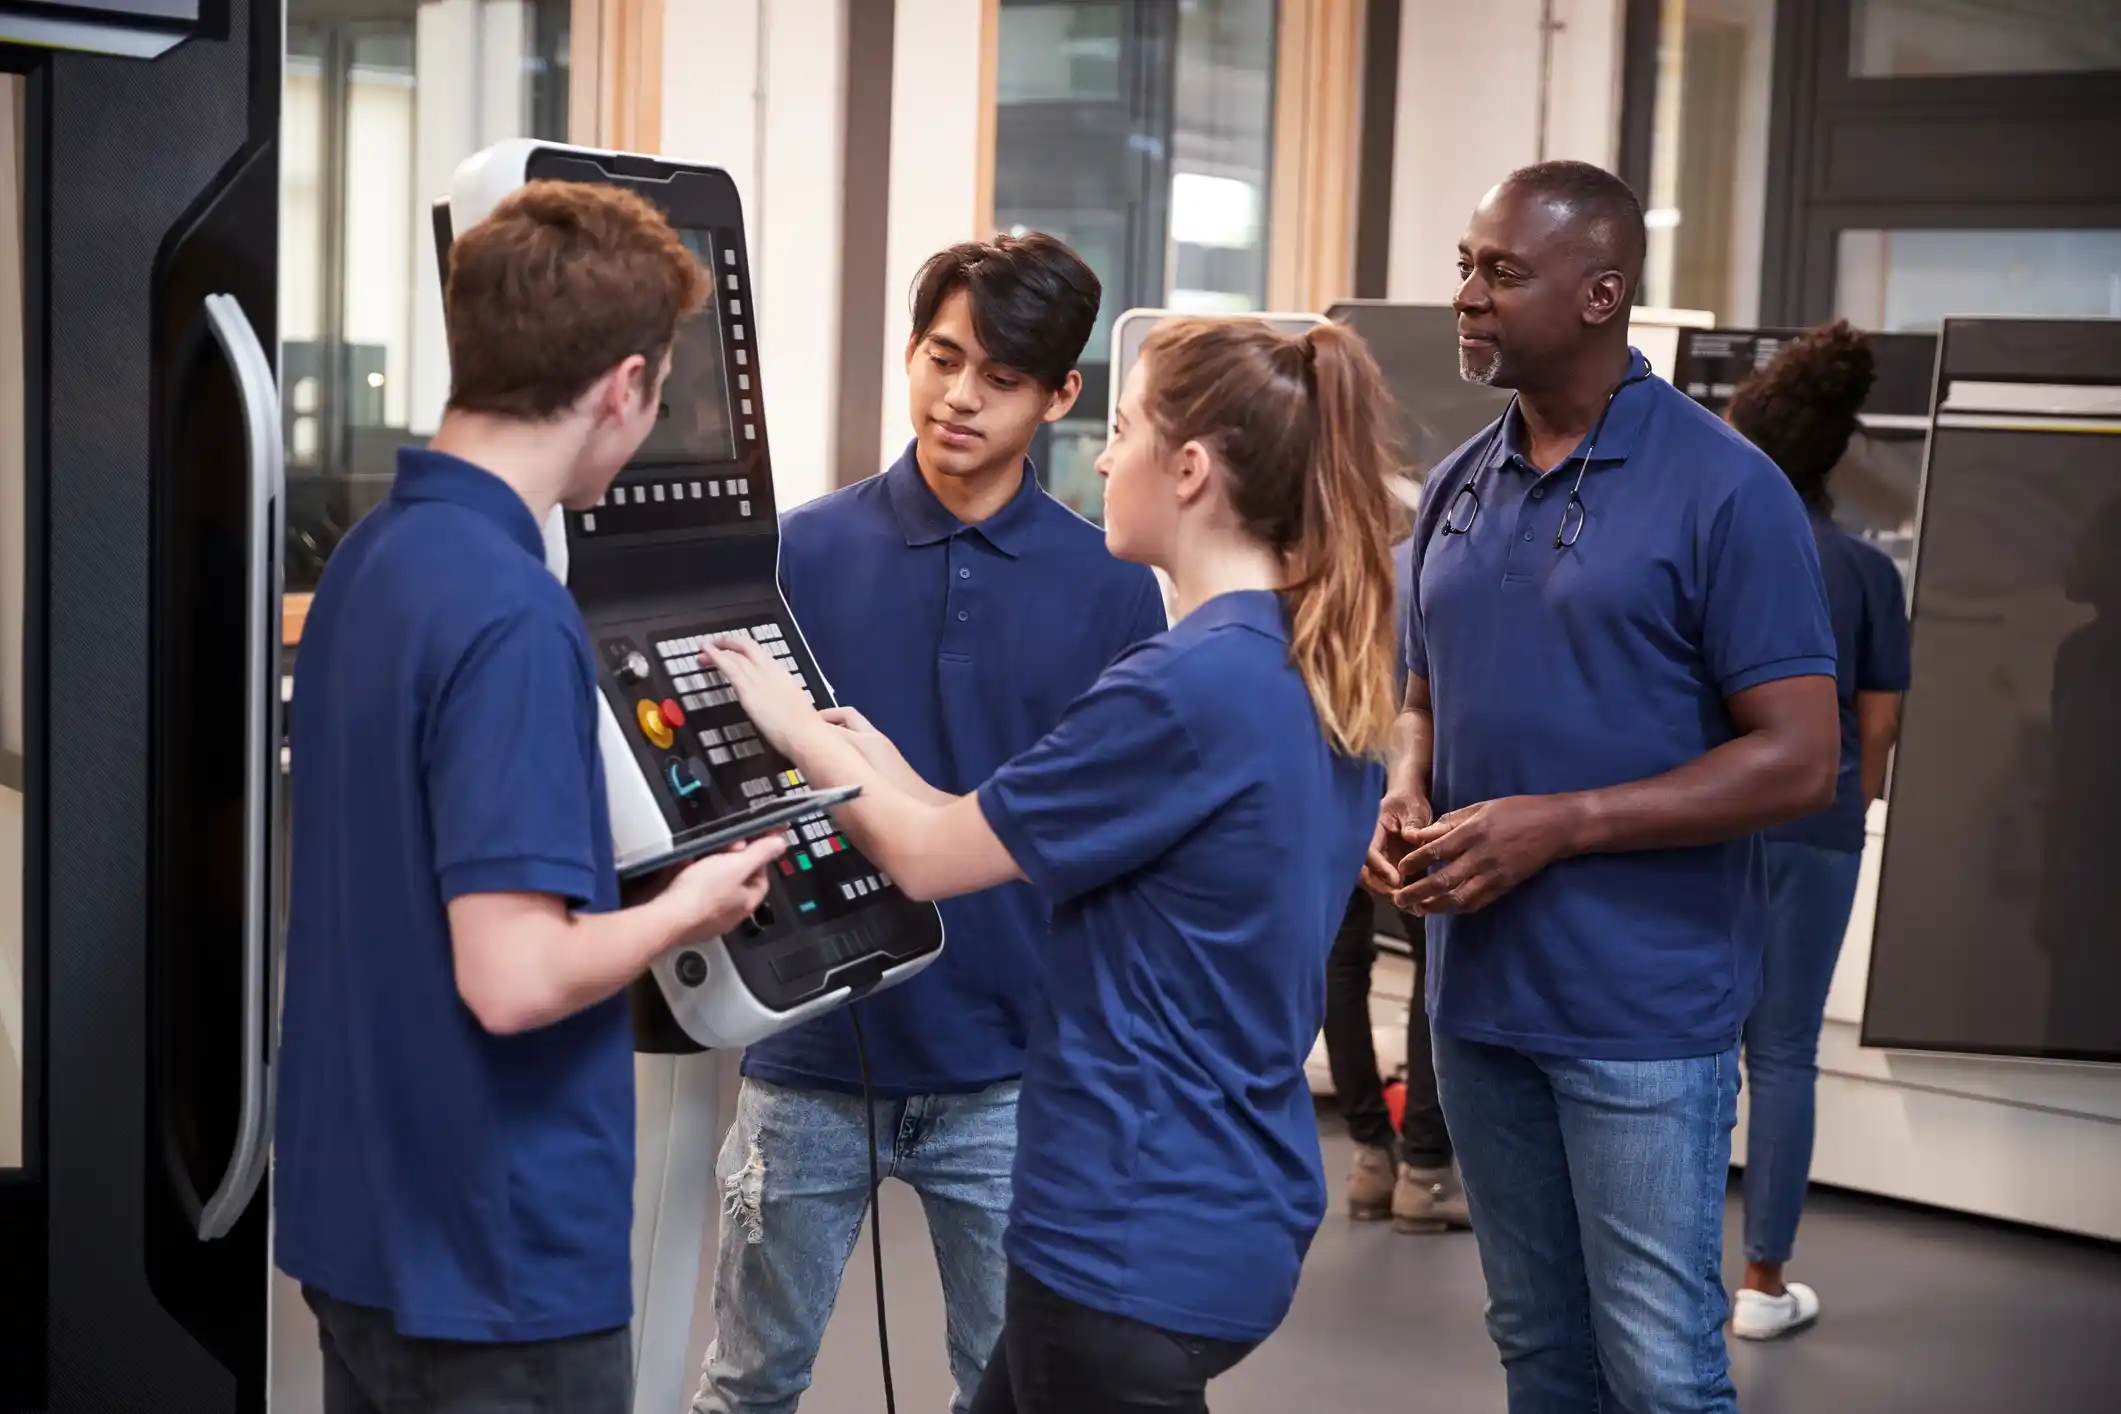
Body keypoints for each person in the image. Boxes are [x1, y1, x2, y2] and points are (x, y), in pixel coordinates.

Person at [702, 315, 1399, 1414]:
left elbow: (926, 859)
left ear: (1190, 470)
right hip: (1220, 1201)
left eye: (1121, 431)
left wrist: (789, 724)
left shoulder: (1182, 687)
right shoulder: (1287, 661)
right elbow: (1000, 833)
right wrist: (877, 758)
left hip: (1131, 1225)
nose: (1104, 461)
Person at [274, 181, 787, 1414]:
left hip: (364, 1229)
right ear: (624, 386)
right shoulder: (511, 614)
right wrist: (692, 906)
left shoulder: (368, 558)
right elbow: (511, 977)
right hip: (497, 1264)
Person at [1366, 161, 1840, 1414]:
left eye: (1501, 272)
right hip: (1477, 1002)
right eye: (1465, 266)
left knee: (1659, 1369)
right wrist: (1403, 788)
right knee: (1540, 1351)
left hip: (1643, 1016)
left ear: (1601, 293)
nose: (1466, 296)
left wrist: (1564, 824)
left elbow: (1801, 756)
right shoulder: (1459, 485)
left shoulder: (1726, 489)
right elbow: (1419, 696)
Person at [693, 234, 1167, 1414]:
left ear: (1060, 395)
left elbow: (1112, 838)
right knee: (746, 1385)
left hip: (1010, 1072)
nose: (960, 397)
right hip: (809, 1048)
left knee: (1009, 1393)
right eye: (943, 358)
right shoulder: (798, 551)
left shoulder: (1114, 584)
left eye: (1000, 378)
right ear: (910, 352)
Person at [1722, 321, 1911, 1340]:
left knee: (1695, 1041)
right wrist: (1853, 802)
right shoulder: (1867, 572)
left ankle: (1668, 1269)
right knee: (1784, 1052)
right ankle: (1761, 1285)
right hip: (1820, 822)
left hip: (1715, 814)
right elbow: (1876, 723)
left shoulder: (1720, 544)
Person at [1330, 534, 1467, 1232]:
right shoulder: (1447, 562)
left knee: (1340, 966)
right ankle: (1425, 1169)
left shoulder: (1350, 565)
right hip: (1412, 794)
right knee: (1432, 966)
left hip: (1333, 782)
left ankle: (1368, 1158)